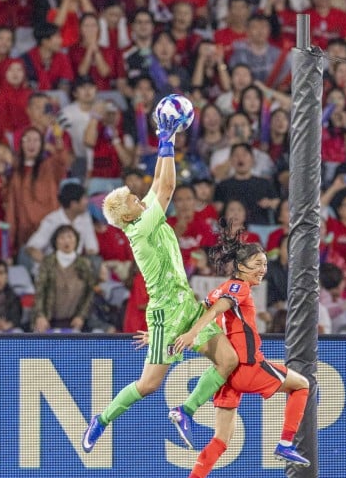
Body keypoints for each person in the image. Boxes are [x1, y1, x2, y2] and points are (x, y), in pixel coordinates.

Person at [83, 113, 237, 452]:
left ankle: (185, 411)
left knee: (229, 361)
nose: (139, 198)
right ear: (126, 215)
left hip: (187, 304)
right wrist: (167, 142)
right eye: (132, 200)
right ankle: (102, 420)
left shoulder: (141, 215)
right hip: (167, 313)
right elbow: (166, 188)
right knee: (149, 384)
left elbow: (156, 183)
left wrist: (161, 141)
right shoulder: (139, 228)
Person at [164, 226, 311, 478]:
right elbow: (219, 308)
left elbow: (207, 307)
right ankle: (285, 443)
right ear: (241, 267)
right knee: (302, 384)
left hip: (228, 374)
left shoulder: (221, 287)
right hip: (248, 365)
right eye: (257, 264)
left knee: (221, 439)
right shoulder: (238, 287)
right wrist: (194, 334)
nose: (262, 269)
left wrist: (171, 333)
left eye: (265, 264)